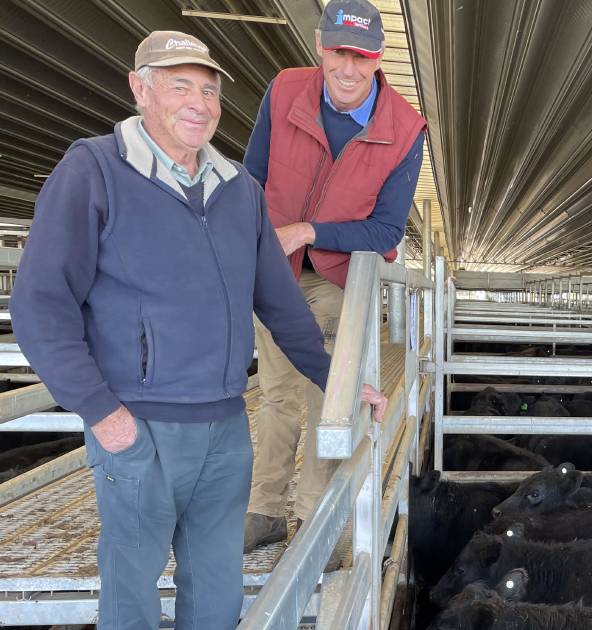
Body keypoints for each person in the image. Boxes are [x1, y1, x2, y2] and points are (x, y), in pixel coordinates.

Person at [10, 30, 384, 629]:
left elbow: (281, 305)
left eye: (210, 91)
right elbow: (39, 304)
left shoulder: (240, 190)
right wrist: (102, 413)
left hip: (226, 429)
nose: (200, 104)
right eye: (180, 86)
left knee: (216, 593)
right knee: (130, 591)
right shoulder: (95, 171)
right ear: (140, 89)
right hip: (139, 424)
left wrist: (339, 379)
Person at [240, 0, 425, 553]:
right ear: (321, 47)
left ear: (378, 57)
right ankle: (264, 509)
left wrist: (310, 231)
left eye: (361, 57)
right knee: (275, 394)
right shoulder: (285, 90)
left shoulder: (405, 128)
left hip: (333, 275)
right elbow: (253, 176)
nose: (348, 69)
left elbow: (387, 230)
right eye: (339, 53)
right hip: (273, 271)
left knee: (328, 391)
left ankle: (314, 518)